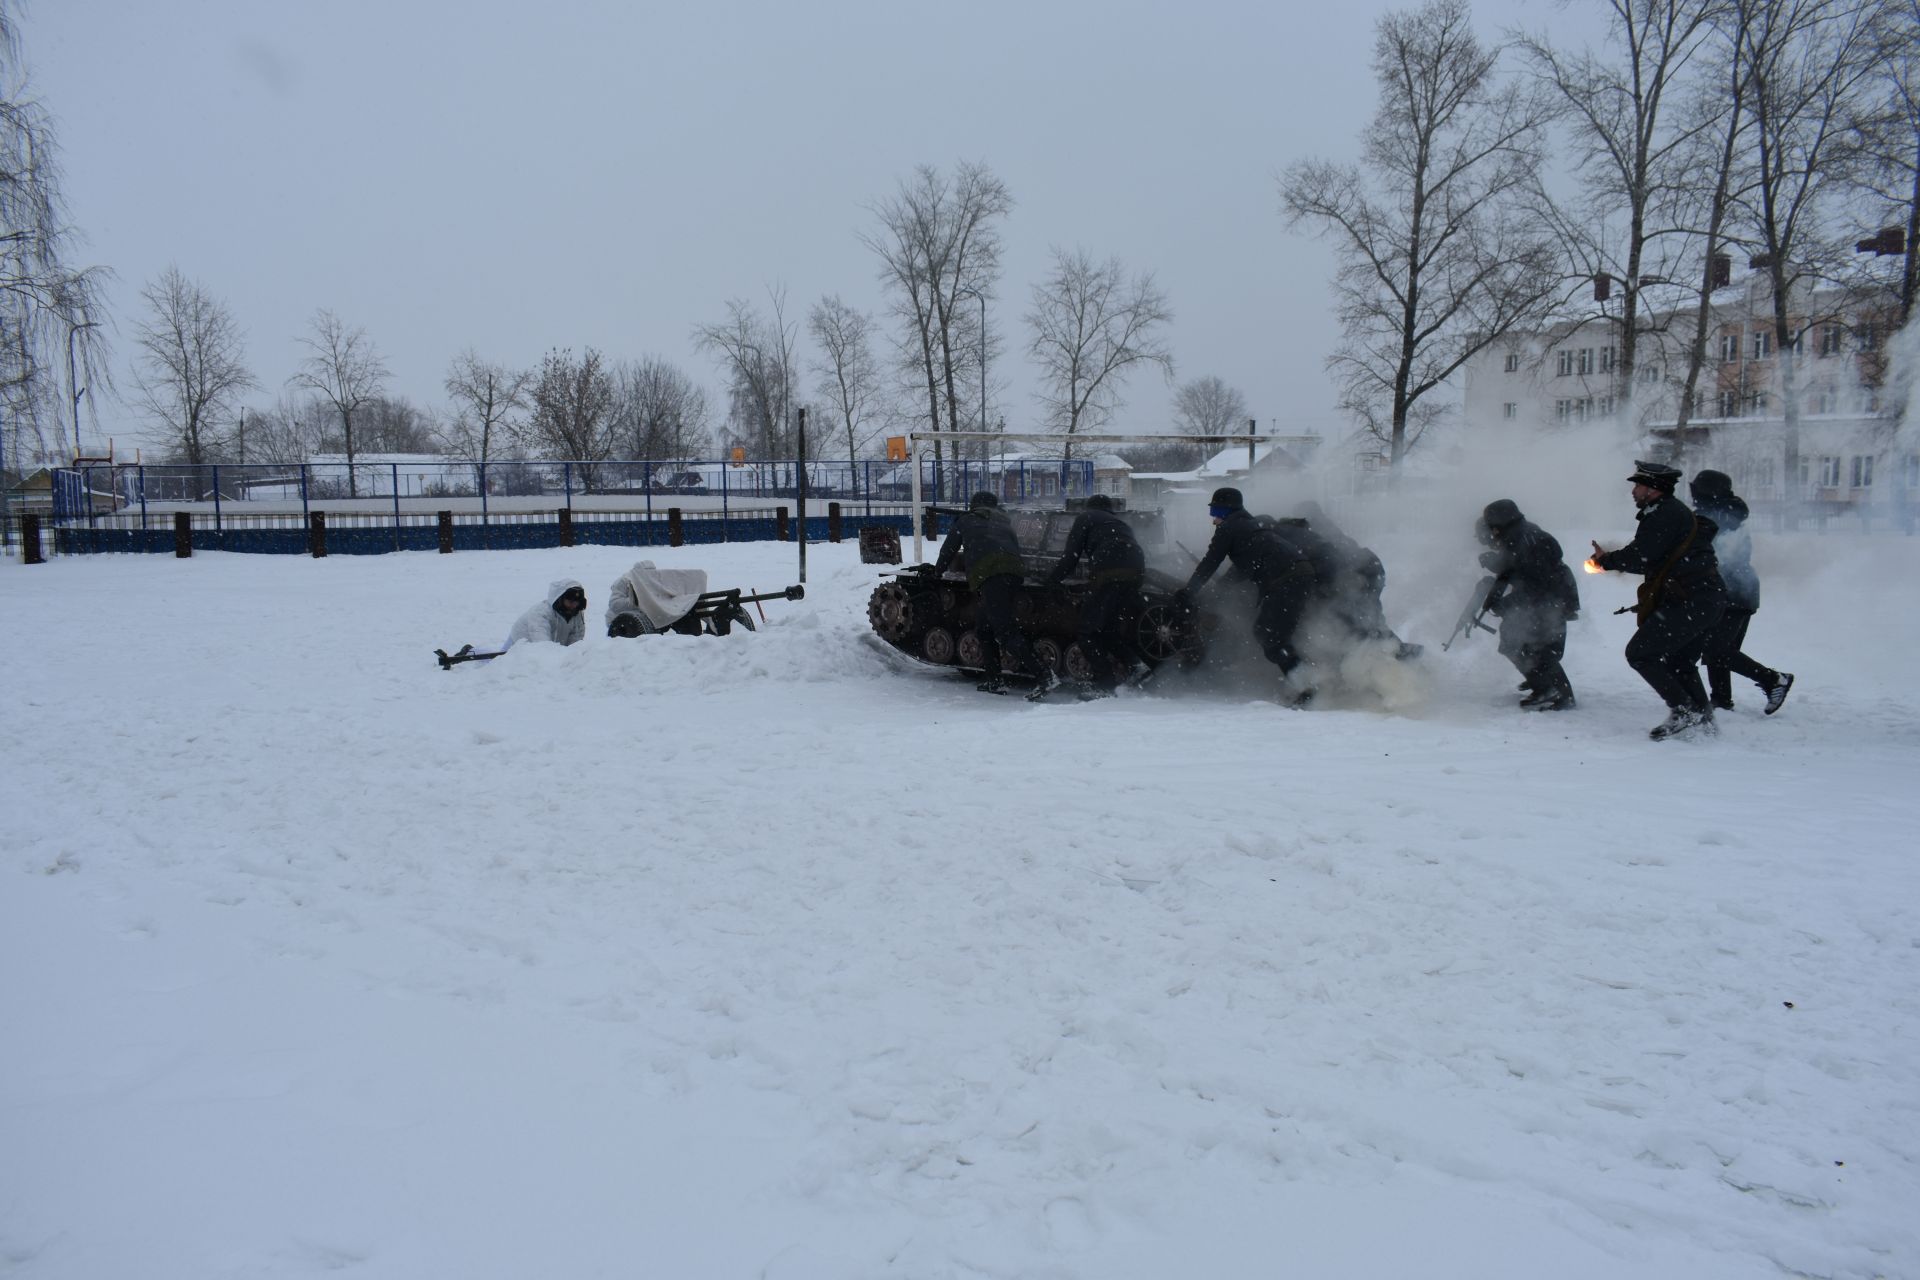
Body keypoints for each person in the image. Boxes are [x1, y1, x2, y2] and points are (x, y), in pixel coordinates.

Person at [1590, 461, 1727, 740]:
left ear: (1653, 489)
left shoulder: (1664, 514)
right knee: (1680, 660)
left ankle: (1684, 711)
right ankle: (1702, 718)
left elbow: (1642, 557)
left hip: (1693, 599)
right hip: (1701, 598)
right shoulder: (1664, 512)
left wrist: (1606, 561)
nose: (1633, 491)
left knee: (1641, 653)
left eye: (1638, 485)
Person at [1180, 486, 1316, 702]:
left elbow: (1210, 562)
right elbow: (1242, 569)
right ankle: (1310, 681)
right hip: (1299, 575)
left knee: (1270, 635)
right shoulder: (1250, 526)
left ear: (1226, 510)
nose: (1213, 518)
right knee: (1275, 634)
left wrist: (1188, 593)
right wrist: (1219, 590)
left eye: (1215, 511)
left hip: (1287, 579)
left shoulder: (1230, 528)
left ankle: (1308, 689)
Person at [934, 491, 1059, 700]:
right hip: (1013, 574)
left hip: (991, 575)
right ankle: (994, 679)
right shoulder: (1005, 521)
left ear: (974, 505)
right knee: (983, 629)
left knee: (1005, 632)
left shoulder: (966, 520)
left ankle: (1045, 676)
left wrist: (937, 572)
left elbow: (948, 550)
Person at [1689, 470, 1794, 715]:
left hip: (1731, 591)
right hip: (1739, 590)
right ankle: (1722, 699)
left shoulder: (1715, 517)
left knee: (1717, 650)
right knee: (1721, 649)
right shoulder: (1728, 513)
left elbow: (1709, 556)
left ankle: (1773, 679)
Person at [1475, 499, 1579, 711]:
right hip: (1550, 596)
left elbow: (1535, 585)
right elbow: (1514, 568)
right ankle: (1539, 680)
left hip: (1549, 600)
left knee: (1538, 646)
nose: (1492, 534)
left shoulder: (1525, 540)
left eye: (1492, 528)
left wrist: (1505, 605)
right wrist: (1494, 562)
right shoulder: (1519, 535)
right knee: (1519, 642)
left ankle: (1553, 689)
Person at [1041, 494, 1147, 699]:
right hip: (1135, 571)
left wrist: (1052, 581)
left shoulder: (1086, 518)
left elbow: (1070, 556)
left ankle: (1105, 685)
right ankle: (1136, 665)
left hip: (1109, 570)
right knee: (1108, 630)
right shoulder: (1120, 523)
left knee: (1087, 632)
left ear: (1089, 508)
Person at [505, 578, 589, 648]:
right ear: (560, 599)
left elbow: (575, 643)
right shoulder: (541, 613)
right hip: (518, 644)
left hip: (551, 648)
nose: (574, 605)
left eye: (577, 602)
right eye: (570, 601)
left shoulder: (577, 614)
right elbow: (542, 645)